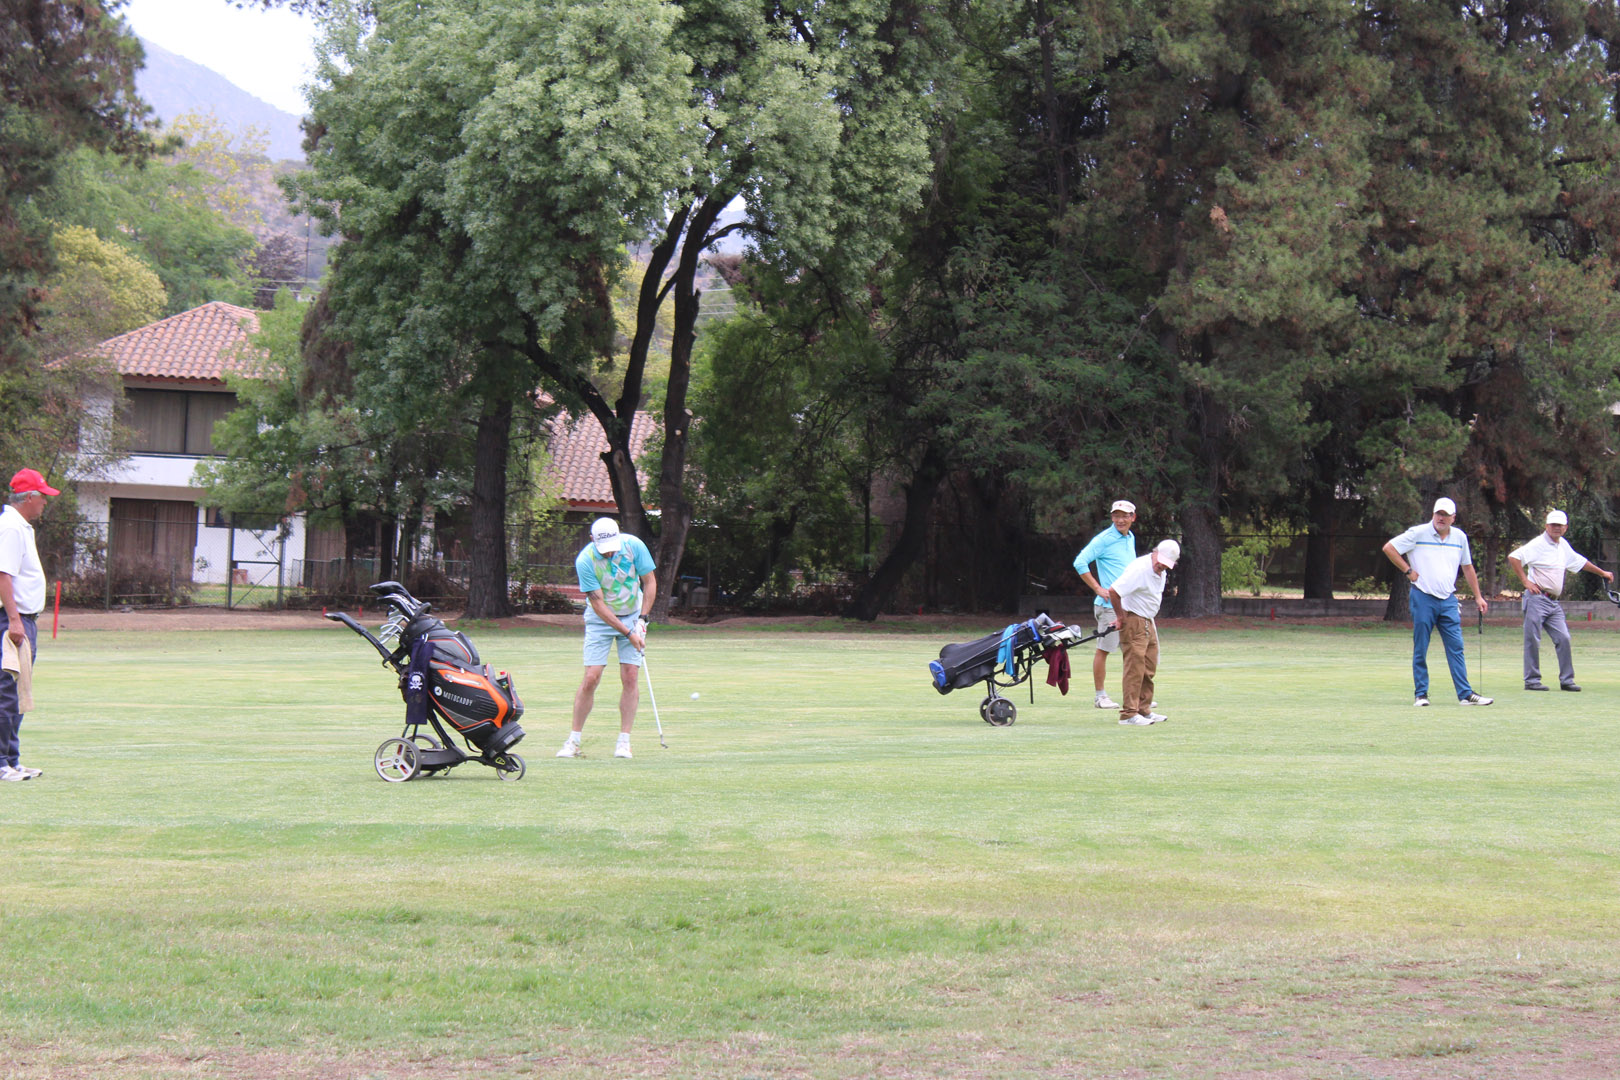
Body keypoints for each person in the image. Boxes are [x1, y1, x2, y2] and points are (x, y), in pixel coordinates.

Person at [557, 517, 657, 760]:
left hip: (632, 614)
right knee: (591, 677)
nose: (610, 553)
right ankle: (573, 741)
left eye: (612, 547)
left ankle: (624, 742)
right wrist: (628, 633)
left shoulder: (634, 546)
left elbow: (650, 581)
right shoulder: (585, 560)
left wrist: (642, 620)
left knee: (630, 675)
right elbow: (598, 605)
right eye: (605, 549)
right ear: (592, 539)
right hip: (600, 620)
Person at [1381, 497, 1492, 707]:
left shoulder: (1459, 537)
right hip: (1423, 596)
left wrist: (1478, 596)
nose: (1441, 518)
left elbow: (1467, 567)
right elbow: (1389, 548)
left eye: (1445, 515)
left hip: (1448, 599)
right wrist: (1408, 571)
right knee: (1421, 646)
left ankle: (1465, 694)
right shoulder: (1418, 533)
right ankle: (1421, 694)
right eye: (1438, 514)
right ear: (1433, 514)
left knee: (1456, 646)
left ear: (1453, 518)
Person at [1507, 509, 1612, 693]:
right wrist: (1525, 581)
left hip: (1554, 603)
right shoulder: (1538, 544)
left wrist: (1602, 573)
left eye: (1560, 525)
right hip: (1537, 599)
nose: (1556, 528)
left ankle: (1567, 680)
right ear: (1546, 526)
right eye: (1553, 525)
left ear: (1565, 528)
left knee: (1563, 638)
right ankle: (1532, 681)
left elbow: (1579, 562)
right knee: (1532, 639)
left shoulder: (1562, 545)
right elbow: (1514, 557)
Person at [1, 468, 58, 781]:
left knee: (19, 692)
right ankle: (1, 763)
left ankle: (11, 759)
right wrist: (14, 620)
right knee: (6, 691)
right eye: (43, 497)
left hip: (24, 620)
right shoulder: (10, 527)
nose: (45, 502)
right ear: (30, 497)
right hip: (13, 620)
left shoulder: (21, 526)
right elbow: (3, 575)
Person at [1072, 500, 1138, 711]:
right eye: (1116, 515)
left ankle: (1134, 697)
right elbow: (1080, 562)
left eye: (1125, 516)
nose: (1120, 520)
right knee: (1104, 649)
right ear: (1111, 517)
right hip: (1109, 606)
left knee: (1133, 651)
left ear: (1133, 517)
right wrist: (1098, 588)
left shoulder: (1130, 537)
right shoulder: (1104, 539)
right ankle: (1100, 696)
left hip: (1129, 605)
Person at [1105, 538, 1179, 727]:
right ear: (1155, 552)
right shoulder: (1139, 569)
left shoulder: (1160, 571)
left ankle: (1143, 709)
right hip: (1133, 620)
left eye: (1166, 564)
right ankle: (1128, 714)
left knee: (1148, 666)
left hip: (1148, 621)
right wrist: (1120, 617)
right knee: (1134, 668)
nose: (1161, 566)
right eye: (1160, 561)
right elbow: (1114, 591)